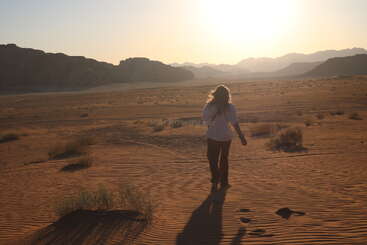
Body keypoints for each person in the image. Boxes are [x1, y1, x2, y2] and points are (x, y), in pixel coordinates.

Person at [202, 85, 247, 191]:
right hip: (226, 136)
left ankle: (215, 177)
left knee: (212, 158)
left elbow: (206, 121)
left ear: (215, 95)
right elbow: (235, 123)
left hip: (213, 136)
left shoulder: (209, 106)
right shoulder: (230, 107)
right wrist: (241, 137)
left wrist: (211, 127)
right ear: (227, 95)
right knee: (224, 159)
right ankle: (224, 182)